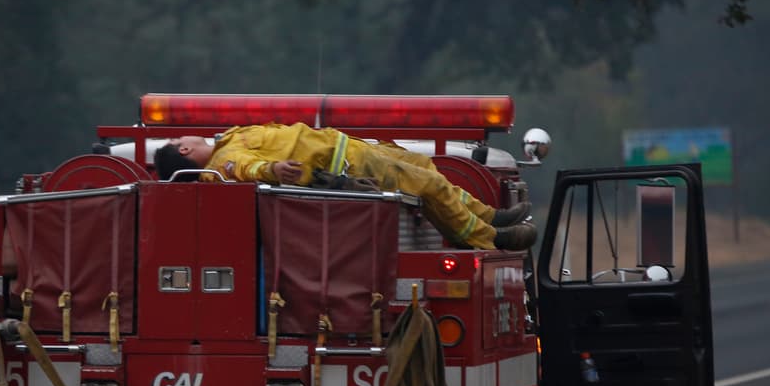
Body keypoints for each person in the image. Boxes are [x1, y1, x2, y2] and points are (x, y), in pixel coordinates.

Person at [153, 122, 536, 251]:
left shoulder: (225, 144)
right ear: (185, 149)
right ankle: (490, 238)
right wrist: (274, 168)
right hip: (347, 163)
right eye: (180, 141)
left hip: (348, 147)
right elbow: (249, 169)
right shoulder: (222, 163)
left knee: (423, 166)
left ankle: (491, 215)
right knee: (429, 184)